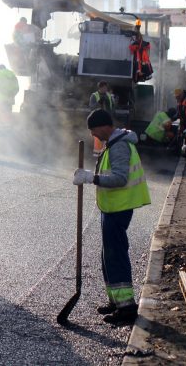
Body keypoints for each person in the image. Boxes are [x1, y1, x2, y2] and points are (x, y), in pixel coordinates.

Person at [72, 109, 151, 325]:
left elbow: (119, 178)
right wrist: (90, 175)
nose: (93, 135)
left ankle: (126, 308)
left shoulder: (119, 146)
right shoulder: (113, 143)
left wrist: (90, 178)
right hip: (112, 208)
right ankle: (116, 301)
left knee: (115, 256)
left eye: (94, 130)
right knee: (108, 256)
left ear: (104, 126)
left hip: (119, 208)